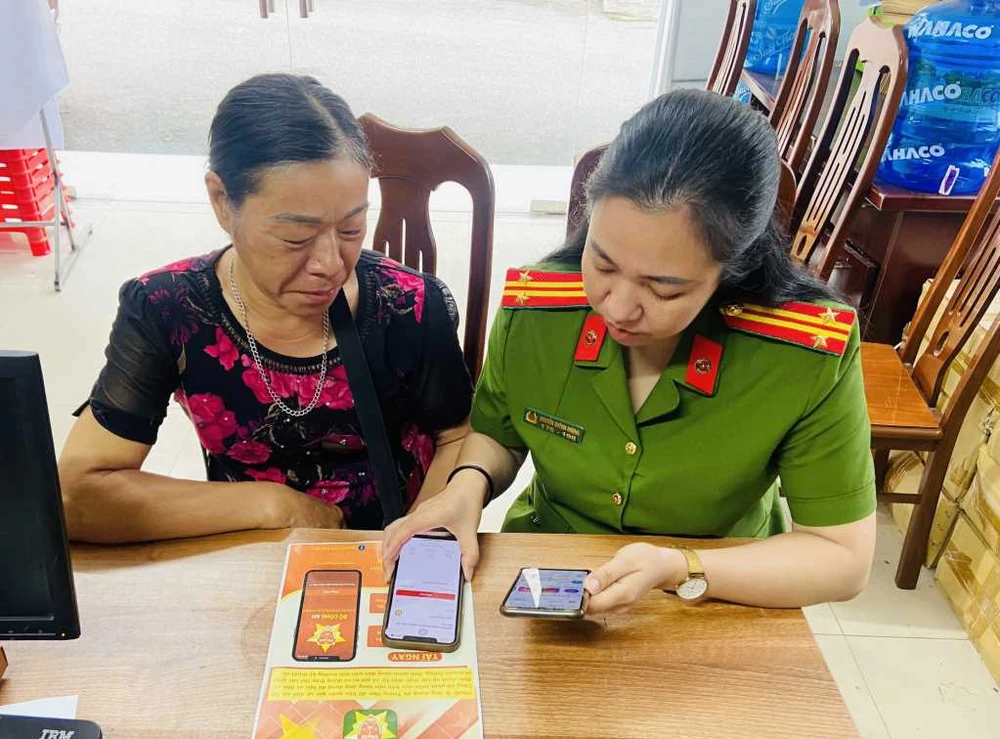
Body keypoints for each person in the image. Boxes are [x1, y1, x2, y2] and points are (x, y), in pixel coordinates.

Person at [384, 89, 876, 611]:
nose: (617, 307)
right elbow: (498, 434)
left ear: (730, 268)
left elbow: (841, 556)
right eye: (602, 263)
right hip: (552, 566)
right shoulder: (539, 308)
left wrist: (681, 567)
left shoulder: (802, 352)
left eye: (663, 289)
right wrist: (466, 487)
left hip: (723, 586)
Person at [59, 74, 473, 542]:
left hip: (392, 541)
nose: (330, 264)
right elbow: (78, 494)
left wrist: (416, 545)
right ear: (221, 201)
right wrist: (273, 505)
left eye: (352, 229)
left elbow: (457, 437)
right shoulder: (168, 309)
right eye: (295, 237)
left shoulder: (409, 305)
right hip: (247, 546)